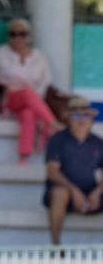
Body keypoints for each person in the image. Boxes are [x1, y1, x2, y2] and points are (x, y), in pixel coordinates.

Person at [0, 18, 60, 163]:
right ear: (8, 36)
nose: (17, 38)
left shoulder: (39, 57)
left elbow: (46, 80)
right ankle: (52, 124)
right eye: (13, 34)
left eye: (22, 34)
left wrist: (34, 102)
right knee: (27, 92)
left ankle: (23, 159)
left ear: (29, 36)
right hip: (7, 100)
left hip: (33, 103)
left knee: (28, 114)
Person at [43, 96, 103, 245]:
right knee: (59, 193)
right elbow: (52, 172)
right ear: (68, 118)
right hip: (65, 193)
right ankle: (56, 246)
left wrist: (97, 192)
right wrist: (74, 191)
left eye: (86, 115)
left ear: (91, 119)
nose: (81, 120)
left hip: (90, 194)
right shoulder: (58, 140)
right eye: (76, 115)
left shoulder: (98, 142)